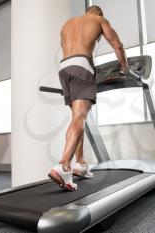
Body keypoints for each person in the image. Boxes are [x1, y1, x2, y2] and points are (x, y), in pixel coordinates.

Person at [48, 5, 128, 191]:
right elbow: (117, 45)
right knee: (80, 118)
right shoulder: (99, 20)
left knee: (76, 118)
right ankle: (64, 165)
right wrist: (124, 67)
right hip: (82, 65)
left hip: (64, 68)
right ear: (98, 13)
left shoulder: (67, 24)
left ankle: (80, 163)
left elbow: (67, 49)